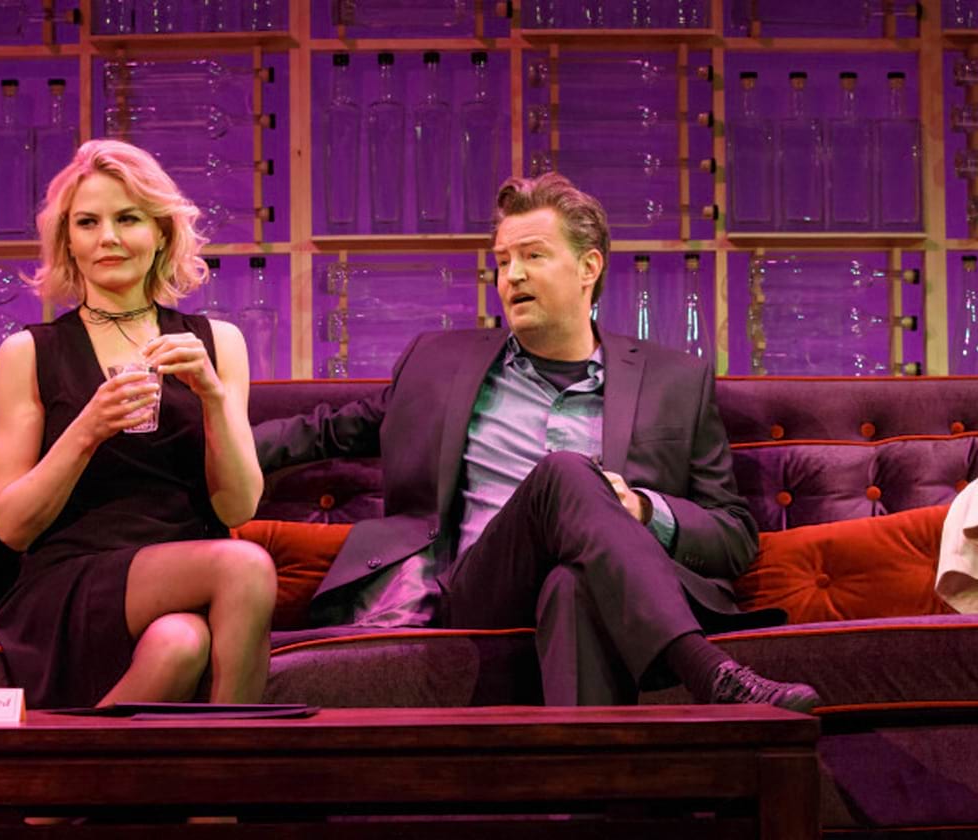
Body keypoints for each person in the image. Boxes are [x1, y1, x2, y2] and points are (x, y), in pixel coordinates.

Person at [254, 172, 820, 711]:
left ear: (588, 267)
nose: (512, 276)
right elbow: (327, 429)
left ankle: (587, 781)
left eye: (532, 256)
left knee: (572, 586)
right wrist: (211, 440)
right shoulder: (439, 364)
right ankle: (709, 671)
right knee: (565, 472)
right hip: (480, 589)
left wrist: (646, 510)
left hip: (603, 590)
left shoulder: (675, 381)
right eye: (503, 262)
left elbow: (733, 534)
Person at [0, 139, 276, 710]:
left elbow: (238, 507)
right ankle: (234, 770)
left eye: (128, 219)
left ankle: (62, 772)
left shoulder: (218, 343)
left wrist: (213, 396)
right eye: (87, 222)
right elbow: (12, 526)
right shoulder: (29, 353)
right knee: (245, 565)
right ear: (68, 240)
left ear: (162, 232)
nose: (108, 238)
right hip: (75, 579)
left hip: (188, 572)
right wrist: (87, 428)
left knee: (180, 643)